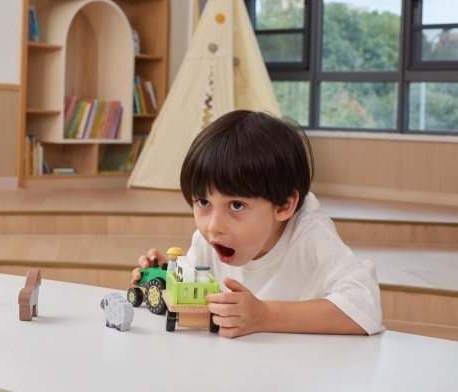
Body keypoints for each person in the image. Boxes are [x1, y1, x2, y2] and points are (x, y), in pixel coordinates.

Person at [131, 110, 385, 338]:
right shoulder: (208, 239)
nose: (213, 226)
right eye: (203, 202)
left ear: (283, 206)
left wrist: (264, 315)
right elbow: (199, 303)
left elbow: (365, 307)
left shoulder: (311, 236)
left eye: (237, 205)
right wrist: (172, 274)